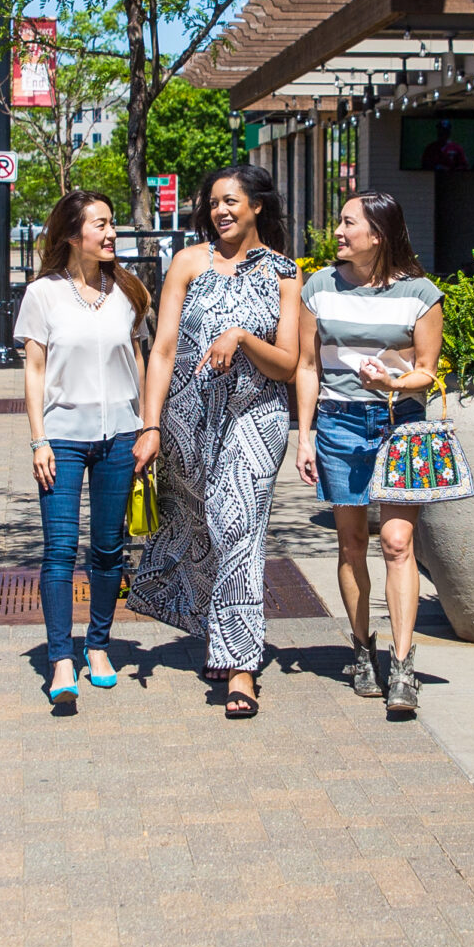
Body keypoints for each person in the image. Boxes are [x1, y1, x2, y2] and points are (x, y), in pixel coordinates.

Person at [130, 164, 301, 719]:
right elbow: (162, 351)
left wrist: (245, 338)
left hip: (256, 417)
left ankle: (242, 666)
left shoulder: (284, 274)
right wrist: (151, 425)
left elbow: (288, 365)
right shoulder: (187, 263)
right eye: (213, 203)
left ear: (256, 206)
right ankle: (217, 634)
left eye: (231, 201)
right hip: (189, 417)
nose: (220, 211)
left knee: (238, 527)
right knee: (199, 525)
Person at [293, 193, 445, 715]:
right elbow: (308, 367)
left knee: (398, 542)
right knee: (352, 543)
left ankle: (403, 666)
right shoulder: (319, 287)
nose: (337, 231)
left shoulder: (420, 294)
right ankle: (362, 649)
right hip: (337, 424)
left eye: (347, 223)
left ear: (378, 234)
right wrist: (305, 433)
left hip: (399, 424)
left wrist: (396, 380)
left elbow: (429, 369)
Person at [17, 190, 153, 707]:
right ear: (73, 234)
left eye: (112, 222)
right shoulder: (42, 295)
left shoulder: (129, 291)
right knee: (58, 550)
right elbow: (33, 371)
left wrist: (145, 427)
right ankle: (60, 658)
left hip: (120, 435)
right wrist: (38, 439)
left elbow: (138, 360)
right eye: (101, 224)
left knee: (108, 549)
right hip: (62, 439)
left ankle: (98, 644)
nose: (111, 232)